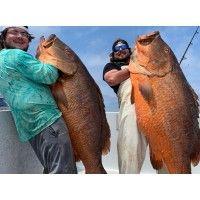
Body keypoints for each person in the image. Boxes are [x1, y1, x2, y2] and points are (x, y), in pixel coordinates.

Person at [0, 26, 77, 174]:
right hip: (47, 120)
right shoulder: (18, 55)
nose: (20, 36)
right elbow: (49, 75)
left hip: (28, 127)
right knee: (63, 171)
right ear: (3, 37)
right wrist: (52, 57)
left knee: (51, 167)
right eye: (14, 32)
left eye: (24, 34)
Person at [103, 38, 169, 174]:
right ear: (113, 54)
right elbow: (112, 78)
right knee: (130, 149)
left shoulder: (141, 59)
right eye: (117, 50)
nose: (120, 51)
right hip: (131, 107)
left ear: (129, 49)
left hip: (156, 107)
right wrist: (135, 69)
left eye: (123, 48)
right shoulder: (111, 66)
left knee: (166, 153)